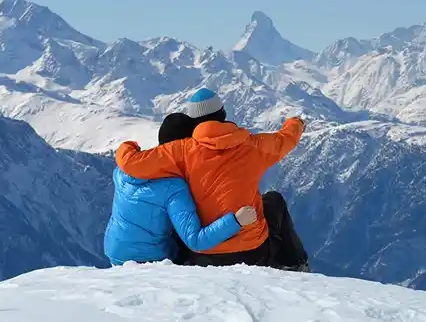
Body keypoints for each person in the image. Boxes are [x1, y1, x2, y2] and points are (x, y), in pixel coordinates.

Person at [114, 88, 310, 271]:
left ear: (194, 123)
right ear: (223, 114)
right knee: (273, 200)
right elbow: (286, 138)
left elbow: (131, 163)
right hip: (254, 251)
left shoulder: (180, 151)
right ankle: (297, 263)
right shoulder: (253, 145)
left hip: (204, 256)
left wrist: (129, 144)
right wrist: (296, 123)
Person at [104, 112, 259, 266]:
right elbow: (195, 241)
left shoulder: (123, 171)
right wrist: (236, 220)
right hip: (149, 261)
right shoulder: (173, 187)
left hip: (114, 253)